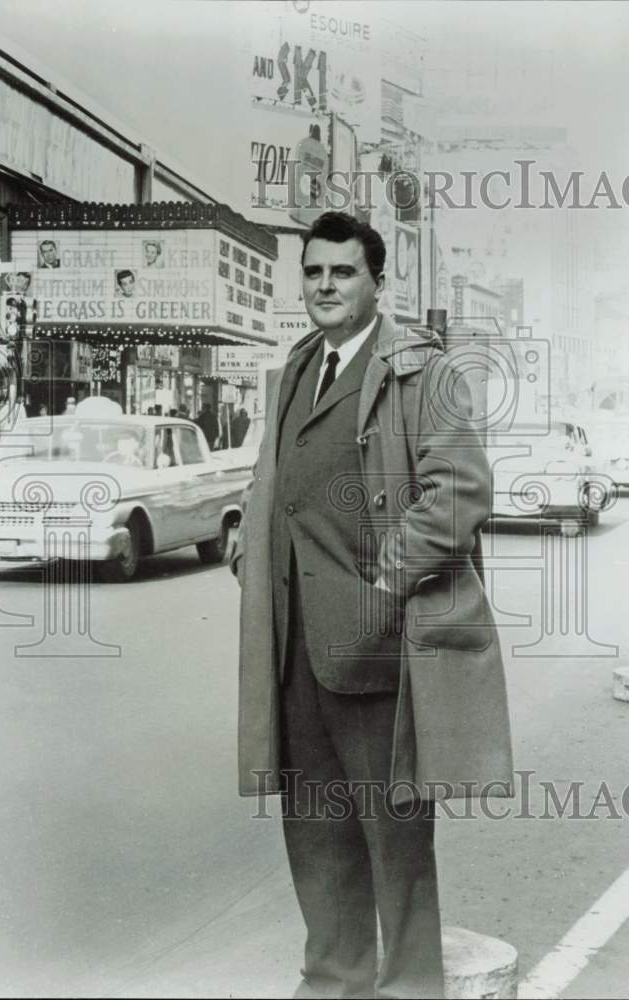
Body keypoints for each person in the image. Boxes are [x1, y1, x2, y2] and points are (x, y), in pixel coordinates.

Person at [231, 212, 513, 999]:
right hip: (296, 647)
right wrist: (248, 544)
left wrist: (383, 588)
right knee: (316, 829)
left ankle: (411, 987)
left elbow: (459, 493)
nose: (324, 286)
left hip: (379, 646)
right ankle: (332, 981)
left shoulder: (422, 372)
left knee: (393, 837)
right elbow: (276, 484)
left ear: (376, 283)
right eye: (314, 272)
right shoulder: (295, 368)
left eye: (342, 273)